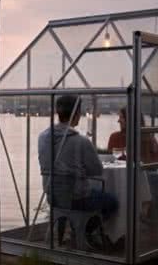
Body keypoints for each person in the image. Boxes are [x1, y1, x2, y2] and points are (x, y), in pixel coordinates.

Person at [38, 95, 118, 248]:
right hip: (77, 198)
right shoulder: (81, 141)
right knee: (112, 201)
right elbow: (96, 170)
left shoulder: (43, 137)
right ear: (75, 114)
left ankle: (72, 233)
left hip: (52, 195)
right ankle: (85, 231)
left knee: (87, 191)